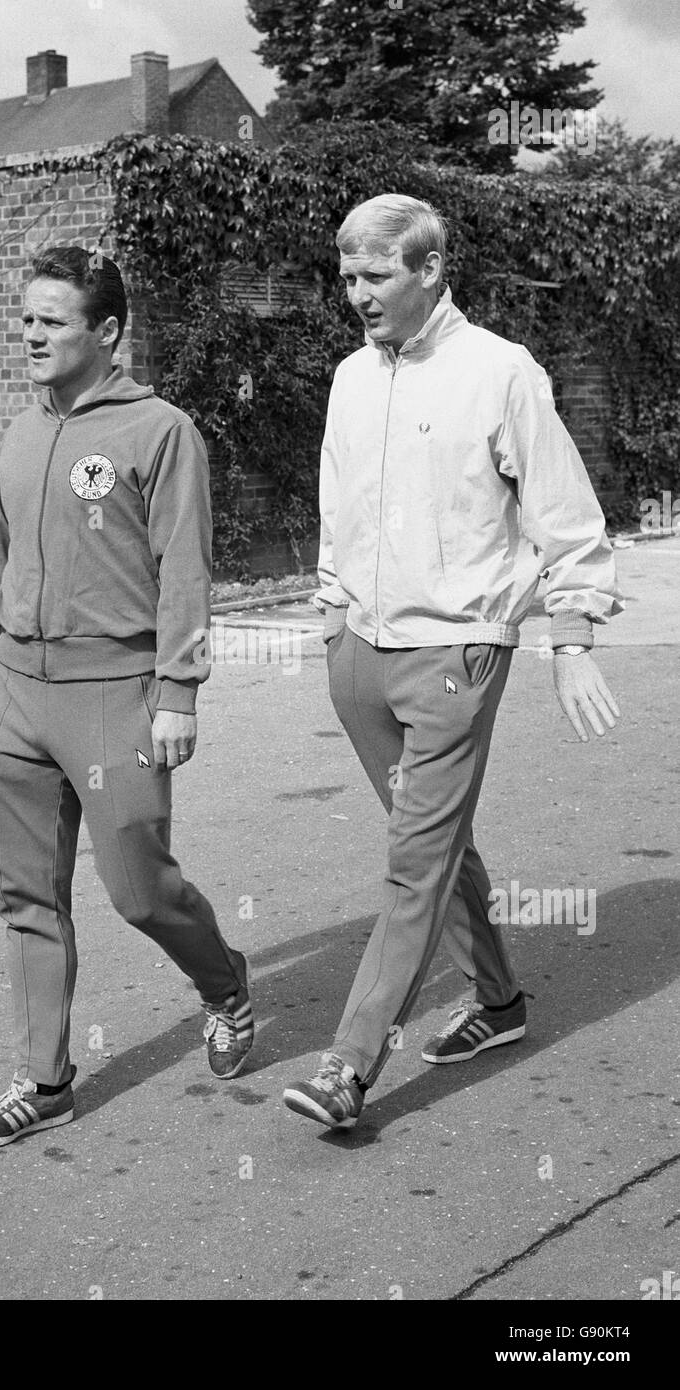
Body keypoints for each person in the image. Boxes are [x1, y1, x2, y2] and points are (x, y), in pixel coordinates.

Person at [283, 194, 623, 1129]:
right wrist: (329, 614)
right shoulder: (353, 376)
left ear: (430, 269)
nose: (356, 294)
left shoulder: (502, 372)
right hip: (359, 650)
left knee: (411, 860)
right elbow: (335, 502)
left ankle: (349, 1066)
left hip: (455, 654)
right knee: (433, 844)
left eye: (375, 275)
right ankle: (500, 1003)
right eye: (347, 276)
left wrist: (574, 637)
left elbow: (566, 516)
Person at [0, 245, 252, 1148]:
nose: (31, 333)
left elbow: (186, 573)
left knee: (141, 894)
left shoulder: (161, 431)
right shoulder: (21, 428)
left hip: (116, 692)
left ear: (108, 332)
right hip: (17, 694)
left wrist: (179, 690)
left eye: (53, 319)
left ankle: (226, 982)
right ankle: (45, 1081)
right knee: (25, 896)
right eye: (27, 317)